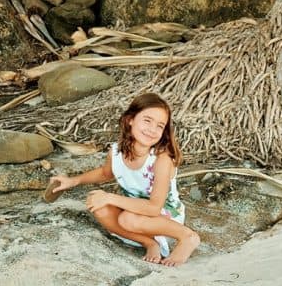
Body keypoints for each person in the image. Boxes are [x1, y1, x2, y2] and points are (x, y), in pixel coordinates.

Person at [50, 93, 200, 267]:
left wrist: (109, 197)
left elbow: (153, 208)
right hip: (134, 211)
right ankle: (150, 243)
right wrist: (73, 181)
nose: (152, 129)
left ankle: (187, 236)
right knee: (99, 207)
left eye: (160, 125)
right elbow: (106, 174)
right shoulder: (116, 151)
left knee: (127, 218)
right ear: (130, 119)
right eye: (147, 120)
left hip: (163, 218)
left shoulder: (161, 159)